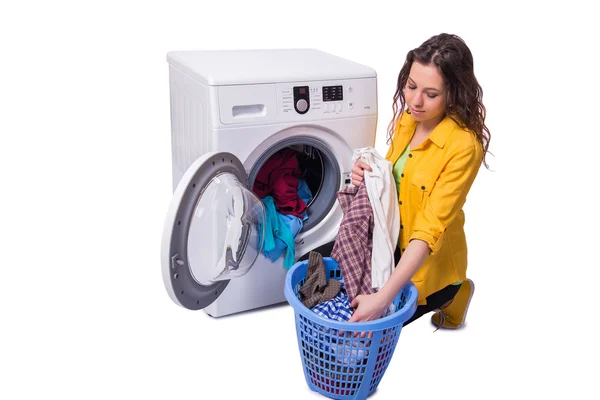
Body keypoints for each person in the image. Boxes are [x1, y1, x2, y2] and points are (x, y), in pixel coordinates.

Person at [348, 33, 491, 329]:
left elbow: (428, 231)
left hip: (429, 259)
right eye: (411, 86)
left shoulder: (464, 147)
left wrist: (383, 298)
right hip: (392, 241)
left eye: (431, 93)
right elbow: (393, 176)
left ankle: (454, 293)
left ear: (453, 92)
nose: (415, 101)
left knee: (374, 327)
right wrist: (366, 173)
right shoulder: (408, 119)